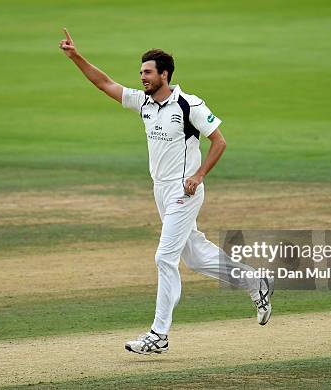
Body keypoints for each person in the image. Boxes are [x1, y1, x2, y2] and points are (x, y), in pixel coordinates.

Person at [59, 28, 273, 355]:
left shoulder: (189, 104)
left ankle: (159, 334)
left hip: (183, 191)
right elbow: (104, 83)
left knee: (164, 258)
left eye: (148, 72)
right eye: (141, 72)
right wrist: (76, 57)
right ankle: (255, 282)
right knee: (196, 256)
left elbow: (220, 141)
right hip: (161, 191)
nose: (142, 77)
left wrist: (199, 175)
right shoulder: (144, 102)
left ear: (164, 74)